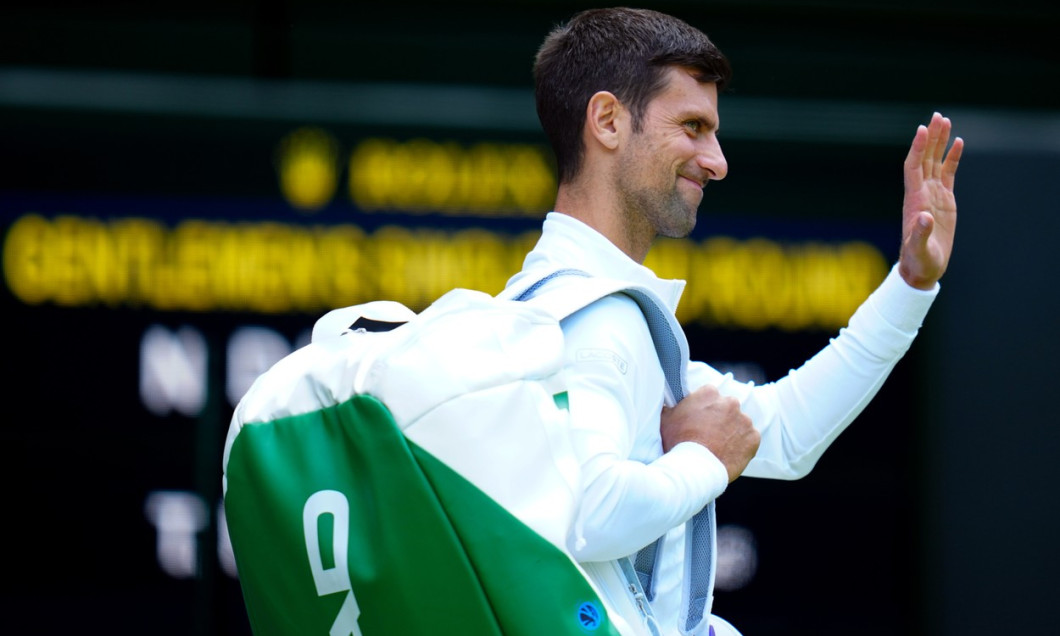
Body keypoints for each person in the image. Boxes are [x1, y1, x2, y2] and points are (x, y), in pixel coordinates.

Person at [500, 7, 963, 636]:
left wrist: (911, 283)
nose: (715, 161)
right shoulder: (592, 319)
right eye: (692, 127)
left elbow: (787, 434)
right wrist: (702, 458)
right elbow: (590, 512)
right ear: (607, 121)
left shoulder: (586, 310)